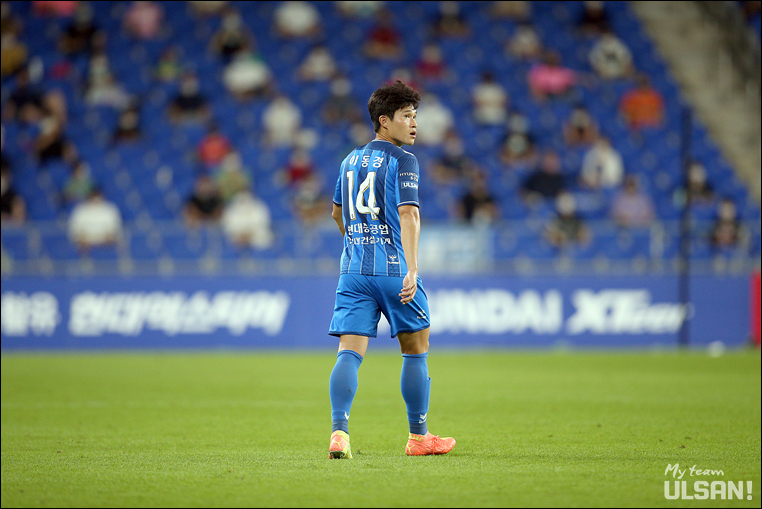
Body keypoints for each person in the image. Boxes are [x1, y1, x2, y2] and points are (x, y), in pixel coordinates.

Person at [327, 80, 456, 460]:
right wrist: (412, 269)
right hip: (394, 270)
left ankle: (339, 432)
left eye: (415, 116)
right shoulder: (404, 160)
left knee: (349, 352)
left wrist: (356, 243)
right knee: (415, 349)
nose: (414, 124)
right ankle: (419, 437)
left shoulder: (349, 161)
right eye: (406, 116)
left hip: (352, 272)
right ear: (384, 121)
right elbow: (409, 214)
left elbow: (336, 213)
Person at [68, 187, 123, 253]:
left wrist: (109, 237)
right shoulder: (80, 209)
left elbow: (116, 228)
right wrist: (81, 238)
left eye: (98, 198)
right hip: (85, 245)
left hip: (106, 244)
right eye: (94, 198)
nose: (96, 200)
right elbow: (74, 228)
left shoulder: (110, 209)